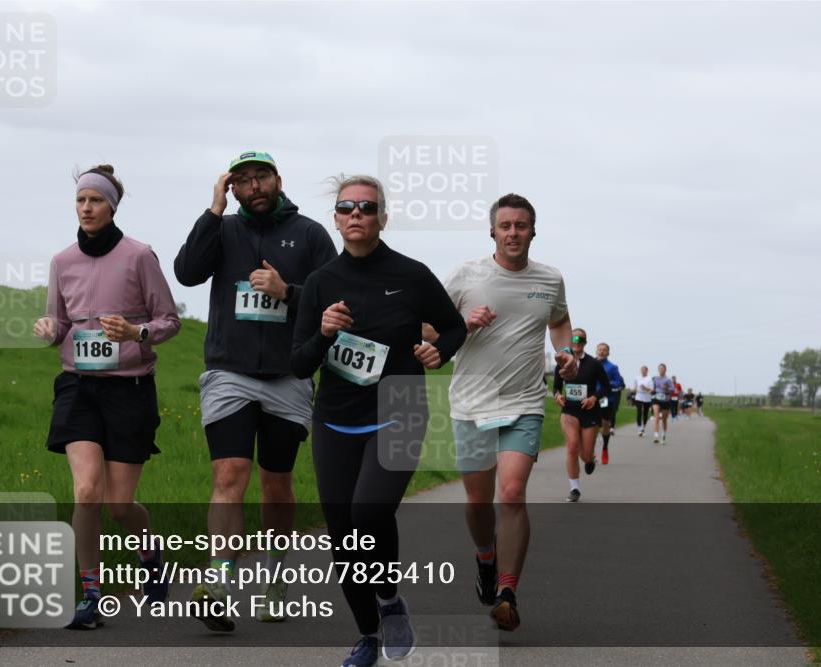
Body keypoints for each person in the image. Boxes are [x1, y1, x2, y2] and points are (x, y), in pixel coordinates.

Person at [291, 175, 466, 666]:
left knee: (368, 514)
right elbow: (299, 364)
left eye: (366, 208)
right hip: (336, 418)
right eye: (346, 207)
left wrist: (440, 350)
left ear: (382, 218)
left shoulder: (411, 275)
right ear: (337, 218)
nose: (355, 215)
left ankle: (388, 599)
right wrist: (324, 334)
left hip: (401, 409)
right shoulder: (322, 283)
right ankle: (368, 635)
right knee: (343, 536)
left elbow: (452, 327)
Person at [174, 151, 337, 627]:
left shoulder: (309, 233)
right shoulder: (222, 229)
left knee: (276, 484)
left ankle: (274, 577)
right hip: (230, 373)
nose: (254, 186)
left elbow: (335, 299)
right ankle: (219, 580)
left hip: (288, 377)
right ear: (233, 189)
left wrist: (288, 291)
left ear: (278, 180)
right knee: (228, 475)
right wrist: (213, 210)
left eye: (260, 177)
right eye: (242, 181)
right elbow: (186, 273)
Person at [35, 165, 181, 630]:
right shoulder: (62, 261)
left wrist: (137, 331)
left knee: (119, 505)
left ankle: (150, 550)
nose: (86, 208)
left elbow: (169, 321)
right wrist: (48, 330)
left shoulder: (139, 256)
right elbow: (58, 323)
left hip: (130, 389)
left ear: (111, 206)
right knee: (85, 492)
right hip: (78, 386)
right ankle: (90, 593)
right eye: (80, 201)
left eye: (95, 201)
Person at [433, 193, 573, 633]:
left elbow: (559, 321)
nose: (514, 233)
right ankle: (485, 558)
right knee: (478, 502)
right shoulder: (465, 275)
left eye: (522, 225)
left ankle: (508, 593)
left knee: (511, 493)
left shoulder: (550, 279)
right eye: (506, 225)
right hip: (472, 403)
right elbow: (425, 326)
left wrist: (565, 352)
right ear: (492, 231)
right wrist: (464, 323)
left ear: (534, 230)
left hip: (524, 402)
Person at [553, 329, 610, 502]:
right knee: (571, 446)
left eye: (580, 338)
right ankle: (574, 489)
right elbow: (556, 386)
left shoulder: (594, 364)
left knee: (585, 455)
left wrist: (594, 398)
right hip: (569, 410)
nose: (576, 341)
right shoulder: (562, 362)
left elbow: (606, 386)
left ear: (585, 342)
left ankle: (589, 460)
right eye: (573, 338)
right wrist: (557, 395)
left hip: (589, 411)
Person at [594, 342, 625, 464]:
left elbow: (619, 382)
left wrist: (609, 383)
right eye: (599, 349)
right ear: (596, 351)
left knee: (605, 424)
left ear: (608, 353)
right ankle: (591, 452)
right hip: (592, 398)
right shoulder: (591, 364)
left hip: (606, 399)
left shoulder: (612, 367)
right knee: (593, 425)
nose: (601, 351)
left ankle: (605, 448)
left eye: (604, 350)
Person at [651, 364, 674, 444]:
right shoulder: (655, 378)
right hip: (656, 398)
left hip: (665, 399)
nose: (661, 370)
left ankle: (663, 434)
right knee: (656, 416)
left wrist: (666, 388)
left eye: (662, 369)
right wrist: (652, 390)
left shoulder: (668, 379)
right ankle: (656, 436)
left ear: (665, 370)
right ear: (658, 370)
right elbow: (652, 388)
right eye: (660, 369)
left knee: (664, 419)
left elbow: (672, 390)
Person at [632, 366, 654, 437]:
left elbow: (651, 390)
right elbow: (634, 388)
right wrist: (635, 390)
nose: (643, 371)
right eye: (641, 370)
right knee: (639, 412)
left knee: (645, 413)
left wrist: (645, 387)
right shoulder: (637, 378)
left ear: (647, 371)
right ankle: (639, 428)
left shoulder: (650, 379)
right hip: (639, 397)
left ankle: (643, 427)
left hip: (647, 397)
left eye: (644, 370)